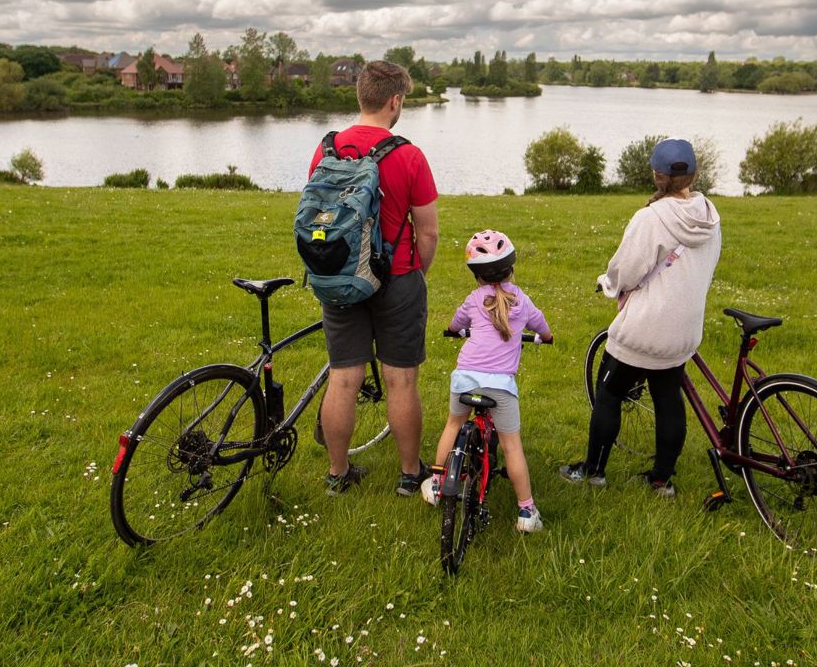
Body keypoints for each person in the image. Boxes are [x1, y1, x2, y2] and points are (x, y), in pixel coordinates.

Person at [560, 138, 721, 496]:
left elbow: (626, 271)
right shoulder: (710, 216)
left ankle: (593, 471)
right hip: (684, 329)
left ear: (656, 175)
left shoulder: (650, 218)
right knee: (668, 399)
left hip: (645, 329)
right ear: (693, 173)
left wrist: (608, 284)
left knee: (610, 392)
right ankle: (662, 480)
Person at [307, 60, 439, 496]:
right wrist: (415, 272)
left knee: (344, 377)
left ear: (360, 95)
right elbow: (429, 231)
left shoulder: (326, 149)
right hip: (397, 276)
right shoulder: (408, 154)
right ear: (395, 101)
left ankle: (338, 474)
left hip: (340, 276)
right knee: (401, 379)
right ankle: (408, 475)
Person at [422, 230, 552, 533]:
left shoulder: (473, 299)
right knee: (511, 446)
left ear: (476, 275)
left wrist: (454, 331)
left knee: (453, 426)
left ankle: (439, 483)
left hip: (465, 378)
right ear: (511, 267)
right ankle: (526, 512)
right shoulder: (522, 300)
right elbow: (541, 325)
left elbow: (456, 324)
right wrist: (546, 337)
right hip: (501, 388)